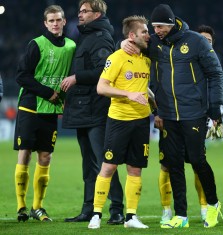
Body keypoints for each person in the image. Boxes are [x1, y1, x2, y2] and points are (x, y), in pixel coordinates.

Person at [61, 0, 124, 224]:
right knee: (89, 164)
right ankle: (88, 208)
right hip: (82, 109)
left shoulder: (101, 38)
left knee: (104, 161)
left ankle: (117, 208)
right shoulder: (88, 36)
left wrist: (76, 77)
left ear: (97, 14)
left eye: (85, 11)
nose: (80, 14)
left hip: (96, 109)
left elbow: (103, 71)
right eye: (79, 10)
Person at [87, 15, 151, 230]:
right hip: (119, 120)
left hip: (142, 121)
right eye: (144, 32)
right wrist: (128, 94)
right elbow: (101, 87)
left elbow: (143, 86)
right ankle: (96, 214)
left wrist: (153, 102)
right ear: (132, 35)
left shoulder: (146, 58)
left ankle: (131, 216)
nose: (148, 35)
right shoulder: (117, 57)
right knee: (109, 167)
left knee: (135, 169)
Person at [14, 5, 76, 222]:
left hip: (51, 109)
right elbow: (22, 76)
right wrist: (47, 92)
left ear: (64, 21)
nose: (55, 24)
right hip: (30, 106)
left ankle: (37, 207)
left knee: (46, 156)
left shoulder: (71, 46)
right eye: (51, 21)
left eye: (58, 20)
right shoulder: (36, 44)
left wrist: (64, 99)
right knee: (25, 153)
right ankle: (21, 206)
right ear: (45, 24)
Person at [157, 24, 216, 224]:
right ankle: (180, 214)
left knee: (197, 161)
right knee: (173, 164)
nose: (156, 30)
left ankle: (212, 205)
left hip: (194, 113)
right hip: (170, 115)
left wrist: (213, 108)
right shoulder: (160, 43)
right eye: (153, 26)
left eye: (209, 40)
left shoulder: (198, 47)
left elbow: (216, 75)